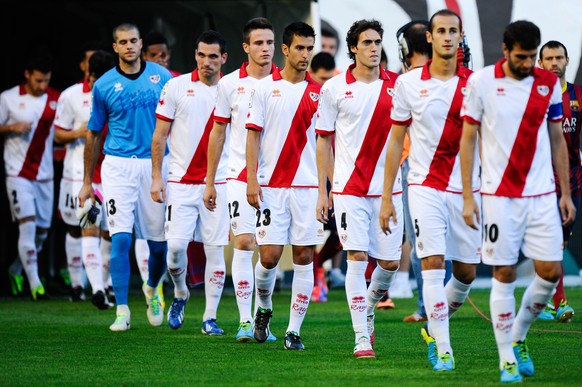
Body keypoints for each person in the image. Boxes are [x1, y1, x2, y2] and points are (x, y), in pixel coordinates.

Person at [460, 20, 576, 383]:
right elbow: (467, 140)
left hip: (542, 195)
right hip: (499, 196)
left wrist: (565, 193)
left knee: (550, 272)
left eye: (532, 58)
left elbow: (557, 138)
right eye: (522, 57)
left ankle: (519, 335)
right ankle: (507, 357)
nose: (528, 64)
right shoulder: (481, 83)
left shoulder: (547, 84)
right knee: (505, 273)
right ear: (506, 51)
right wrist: (468, 194)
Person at [380, 9, 480, 372]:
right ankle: (443, 347)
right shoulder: (408, 84)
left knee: (466, 272)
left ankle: (438, 323)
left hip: (467, 188)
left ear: (460, 36)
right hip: (423, 185)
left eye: (454, 31)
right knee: (433, 264)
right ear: (431, 38)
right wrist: (389, 195)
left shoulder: (477, 82)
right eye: (441, 31)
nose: (448, 37)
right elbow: (395, 142)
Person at [316, 19, 402, 359]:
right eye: (366, 42)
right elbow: (323, 140)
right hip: (349, 189)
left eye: (377, 41)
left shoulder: (400, 85)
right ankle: (360, 337)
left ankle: (367, 305)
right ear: (353, 48)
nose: (373, 47)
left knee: (391, 263)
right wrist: (325, 192)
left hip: (388, 191)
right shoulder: (334, 88)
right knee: (355, 256)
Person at [78, 22, 173, 331]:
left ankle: (152, 287)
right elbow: (93, 135)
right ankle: (122, 310)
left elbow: (181, 123)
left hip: (155, 166)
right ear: (116, 47)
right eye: (123, 42)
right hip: (118, 166)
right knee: (120, 238)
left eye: (134, 40)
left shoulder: (163, 79)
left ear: (140, 43)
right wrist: (86, 182)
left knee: (159, 246)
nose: (129, 46)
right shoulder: (103, 85)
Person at [246, 21, 323, 350]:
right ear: (286, 50)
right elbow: (253, 135)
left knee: (305, 256)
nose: (305, 54)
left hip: (306, 187)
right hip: (271, 186)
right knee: (270, 257)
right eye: (300, 48)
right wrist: (251, 178)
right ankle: (263, 308)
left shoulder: (320, 93)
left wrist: (325, 190)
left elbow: (324, 144)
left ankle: (293, 331)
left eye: (310, 48)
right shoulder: (264, 88)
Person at [203, 18, 278, 341]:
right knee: (244, 243)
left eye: (270, 43)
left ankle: (264, 310)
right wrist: (210, 180)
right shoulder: (229, 84)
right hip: (237, 177)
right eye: (259, 43)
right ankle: (245, 320)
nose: (265, 49)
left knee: (269, 255)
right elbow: (218, 131)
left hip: (278, 179)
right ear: (246, 47)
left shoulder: (286, 82)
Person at [151, 29, 229, 335]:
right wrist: (157, 176)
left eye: (213, 56)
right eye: (201, 55)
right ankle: (181, 293)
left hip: (219, 183)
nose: (206, 62)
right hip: (180, 183)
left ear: (224, 58)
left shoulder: (233, 89)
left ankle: (210, 317)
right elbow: (159, 135)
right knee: (175, 250)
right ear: (195, 55)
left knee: (214, 249)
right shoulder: (176, 86)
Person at [54, 49, 116, 309]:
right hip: (86, 175)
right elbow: (58, 135)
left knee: (106, 232)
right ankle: (92, 287)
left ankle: (104, 285)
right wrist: (78, 132)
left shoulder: (116, 95)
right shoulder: (71, 96)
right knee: (88, 229)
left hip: (108, 175)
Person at [0, 45, 60, 300]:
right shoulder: (8, 98)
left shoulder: (56, 98)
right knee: (27, 225)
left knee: (42, 234)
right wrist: (12, 127)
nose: (42, 85)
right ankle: (36, 286)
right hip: (18, 173)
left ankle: (15, 269)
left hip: (45, 175)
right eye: (38, 80)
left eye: (46, 80)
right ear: (27, 75)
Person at [536, 40, 579, 323]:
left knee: (559, 242)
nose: (554, 63)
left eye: (558, 57)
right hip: (543, 184)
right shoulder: (534, 98)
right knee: (554, 243)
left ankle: (542, 300)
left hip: (574, 181)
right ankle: (558, 301)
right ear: (540, 63)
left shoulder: (576, 95)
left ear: (566, 60)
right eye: (548, 58)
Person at [306, 50, 345, 303]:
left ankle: (318, 266)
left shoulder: (337, 92)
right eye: (322, 79)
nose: (326, 84)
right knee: (309, 232)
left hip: (335, 169)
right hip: (307, 172)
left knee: (343, 231)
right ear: (312, 75)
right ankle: (313, 279)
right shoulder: (303, 93)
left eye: (330, 78)